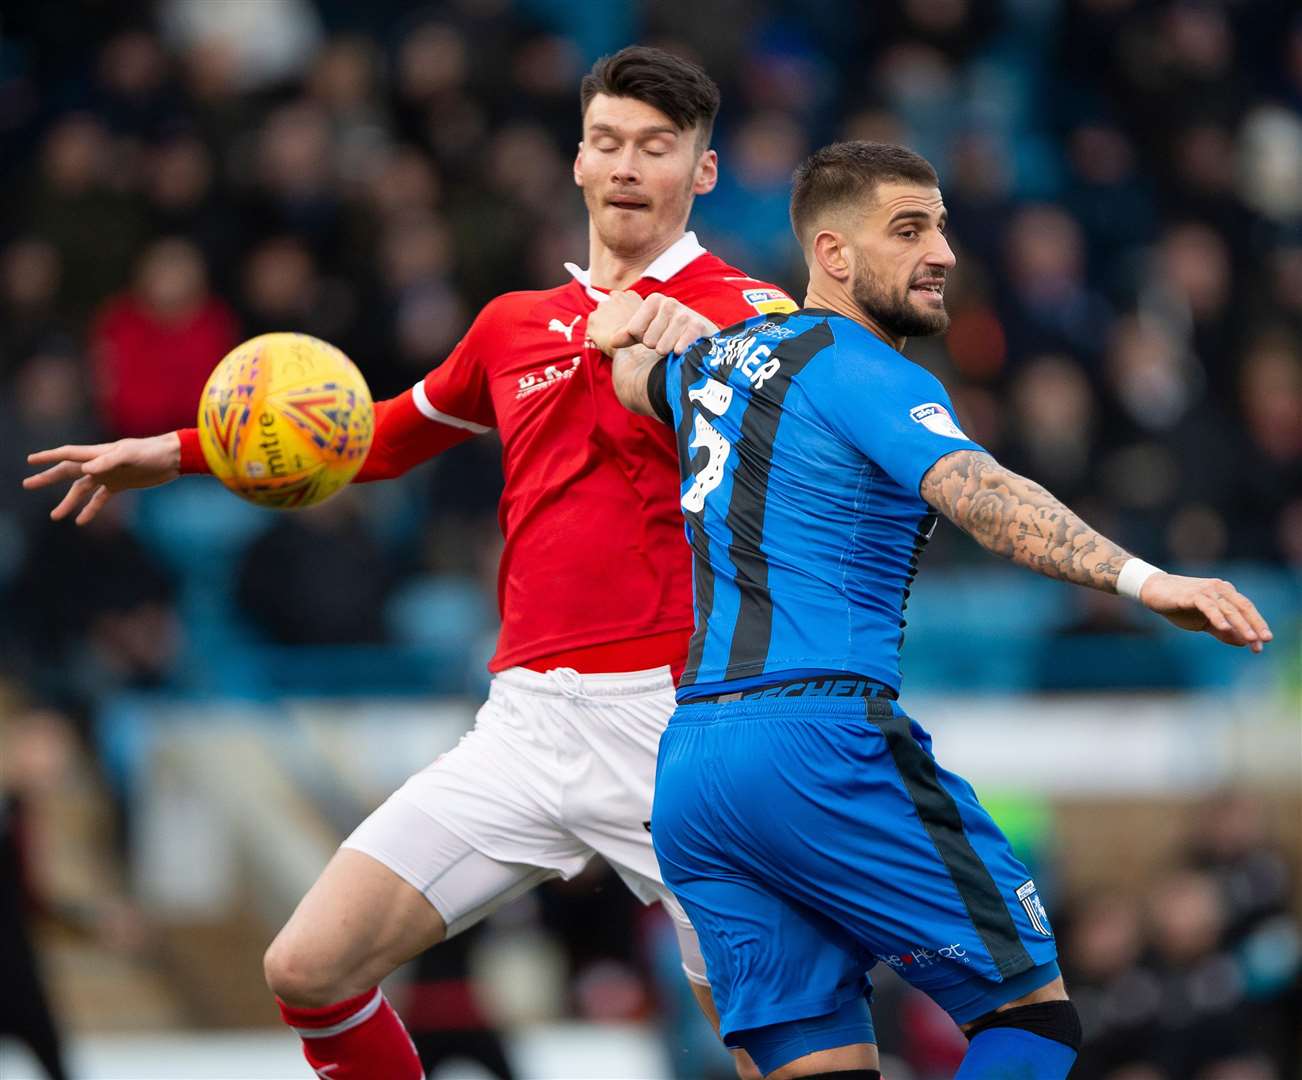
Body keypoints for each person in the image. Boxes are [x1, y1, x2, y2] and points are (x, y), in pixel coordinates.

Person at [23, 47, 795, 1080]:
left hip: (678, 725)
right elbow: (372, 439)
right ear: (576, 161)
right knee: (309, 966)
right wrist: (177, 451)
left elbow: (793, 448)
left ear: (700, 174)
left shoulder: (744, 311)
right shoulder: (513, 326)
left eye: (657, 149)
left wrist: (689, 351)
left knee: (775, 1051)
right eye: (608, 142)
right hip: (525, 723)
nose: (627, 167)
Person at [588, 140, 1272, 1080]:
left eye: (942, 225)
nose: (942, 250)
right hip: (819, 739)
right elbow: (978, 492)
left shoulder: (707, 367)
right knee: (1032, 1016)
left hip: (698, 769)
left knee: (818, 1065)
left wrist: (626, 321)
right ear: (831, 254)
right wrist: (1149, 582)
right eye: (908, 230)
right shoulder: (864, 369)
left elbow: (629, 375)